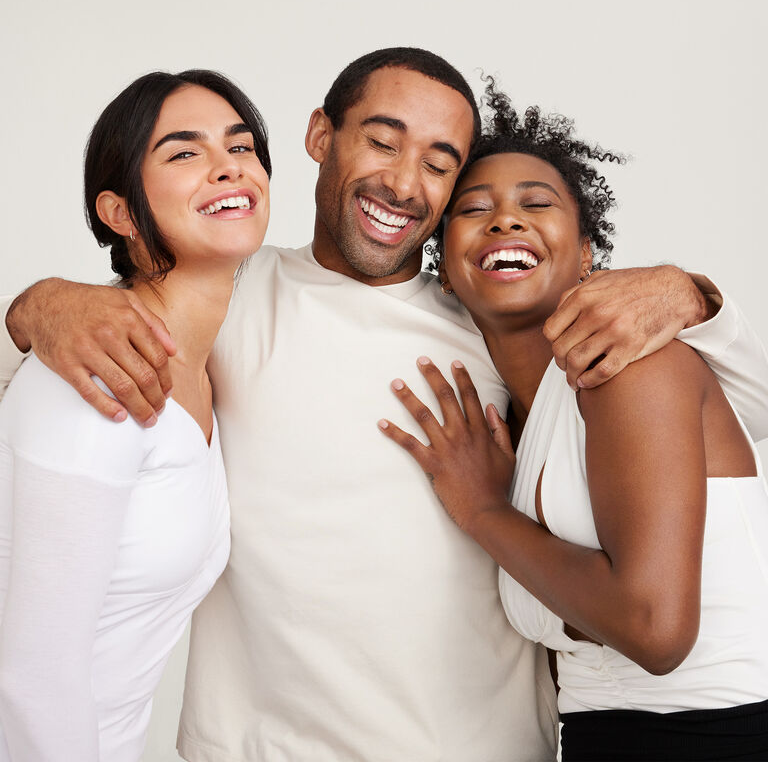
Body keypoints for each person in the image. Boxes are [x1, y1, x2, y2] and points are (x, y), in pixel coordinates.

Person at [0, 48, 766, 761]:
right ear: (319, 136)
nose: (405, 183)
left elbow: (731, 433)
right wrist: (32, 310)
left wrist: (695, 296)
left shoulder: (495, 324)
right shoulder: (226, 291)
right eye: (382, 141)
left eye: (441, 163)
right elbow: (74, 363)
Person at [378, 82, 768, 760]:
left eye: (536, 204)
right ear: (444, 270)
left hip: (710, 736)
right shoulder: (511, 418)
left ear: (587, 253)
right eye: (473, 209)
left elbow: (654, 631)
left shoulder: (628, 365)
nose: (505, 220)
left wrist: (483, 513)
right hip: (598, 736)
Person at [0, 69, 271, 761]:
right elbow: (30, 677)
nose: (227, 167)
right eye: (185, 153)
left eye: (240, 147)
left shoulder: (206, 363)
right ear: (119, 212)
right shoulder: (97, 377)